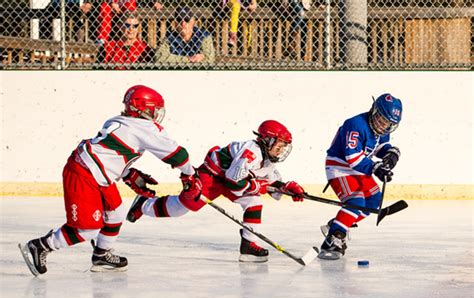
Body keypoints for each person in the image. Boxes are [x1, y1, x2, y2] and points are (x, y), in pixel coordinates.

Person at [19, 85, 201, 276]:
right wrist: (190, 174)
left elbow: (108, 153)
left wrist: (127, 173)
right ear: (142, 109)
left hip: (95, 172)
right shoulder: (143, 127)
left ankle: (101, 255)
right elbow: (178, 155)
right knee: (86, 230)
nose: (156, 114)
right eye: (153, 109)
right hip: (84, 174)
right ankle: (41, 246)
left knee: (116, 212)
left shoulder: (119, 120)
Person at [126, 120, 306, 263]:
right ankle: (144, 204)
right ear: (267, 140)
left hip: (228, 179)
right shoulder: (252, 152)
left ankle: (249, 245)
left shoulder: (268, 159)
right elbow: (234, 182)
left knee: (253, 202)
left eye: (284, 146)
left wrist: (285, 187)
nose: (281, 150)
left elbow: (269, 181)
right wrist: (260, 187)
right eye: (279, 145)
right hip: (211, 177)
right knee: (182, 208)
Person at [318, 93, 403, 260]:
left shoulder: (383, 130)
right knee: (356, 202)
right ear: (373, 111)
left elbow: (379, 147)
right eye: (380, 118)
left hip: (360, 168)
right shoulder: (355, 124)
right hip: (339, 167)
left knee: (373, 202)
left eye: (388, 123)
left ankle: (337, 225)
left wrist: (390, 154)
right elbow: (353, 158)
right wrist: (376, 168)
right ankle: (333, 240)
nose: (382, 125)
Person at [96, 0, 163, 43]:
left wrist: (155, 2)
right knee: (104, 7)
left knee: (130, 6)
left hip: (127, 3)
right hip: (110, 3)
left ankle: (127, 40)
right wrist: (111, 2)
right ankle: (102, 40)